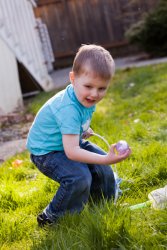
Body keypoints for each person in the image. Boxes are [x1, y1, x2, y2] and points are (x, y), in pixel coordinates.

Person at [27, 44, 131, 227]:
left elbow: (73, 132)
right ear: (73, 78)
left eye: (102, 89)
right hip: (46, 152)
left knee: (101, 167)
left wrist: (82, 132)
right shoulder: (68, 108)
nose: (94, 94)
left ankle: (102, 204)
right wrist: (106, 158)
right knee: (79, 177)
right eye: (89, 86)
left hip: (67, 143)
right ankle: (52, 216)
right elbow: (72, 152)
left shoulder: (86, 97)